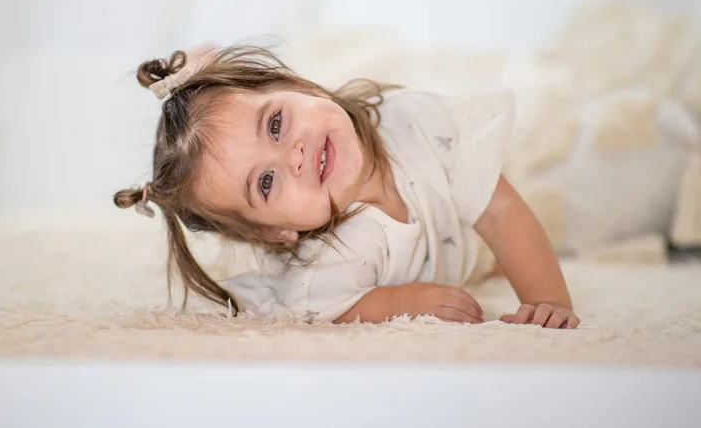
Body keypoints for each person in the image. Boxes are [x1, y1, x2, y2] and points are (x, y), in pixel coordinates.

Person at [114, 44, 580, 329]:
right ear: (275, 231)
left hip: (469, 218)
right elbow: (326, 308)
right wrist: (401, 301)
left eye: (275, 124)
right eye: (267, 182)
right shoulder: (329, 261)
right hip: (459, 252)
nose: (294, 155)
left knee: (543, 192)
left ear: (299, 86)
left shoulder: (418, 123)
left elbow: (499, 211)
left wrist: (547, 303)